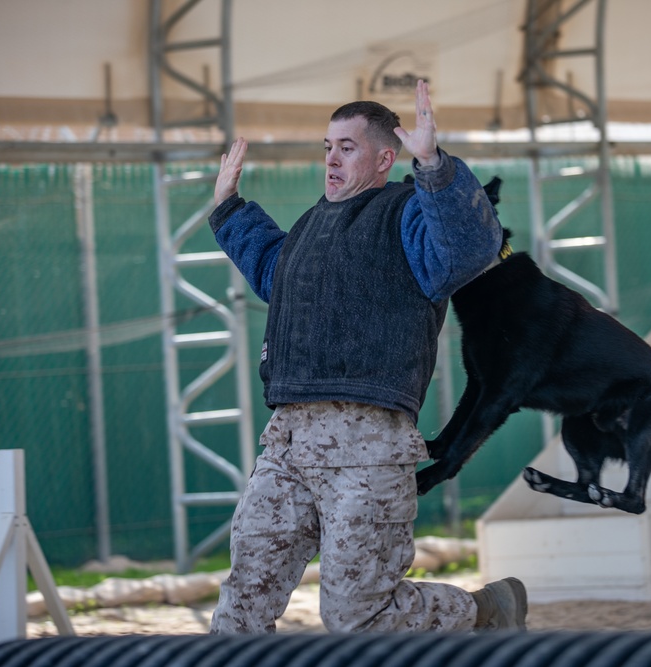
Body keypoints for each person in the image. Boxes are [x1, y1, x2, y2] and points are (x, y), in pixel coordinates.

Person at [207, 79, 526, 634]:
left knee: (358, 617)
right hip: (286, 444)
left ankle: (481, 613)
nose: (331, 158)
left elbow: (469, 246)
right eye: (327, 146)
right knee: (240, 609)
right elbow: (276, 274)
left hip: (368, 446)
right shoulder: (310, 224)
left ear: (384, 158)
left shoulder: (407, 215)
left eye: (346, 147)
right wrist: (228, 209)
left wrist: (433, 166)